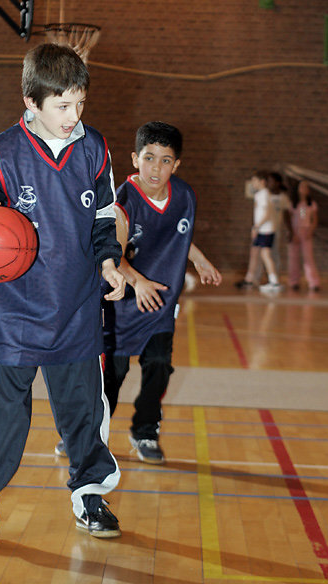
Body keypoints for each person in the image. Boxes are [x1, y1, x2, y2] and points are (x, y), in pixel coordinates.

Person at [0, 44, 125, 547]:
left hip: (77, 308)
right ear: (32, 101)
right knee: (4, 411)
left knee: (84, 414)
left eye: (80, 104)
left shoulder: (94, 150)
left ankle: (90, 494)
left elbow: (103, 217)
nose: (74, 117)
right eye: (62, 106)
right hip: (19, 312)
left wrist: (109, 261)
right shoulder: (1, 153)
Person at [98, 122, 220, 465]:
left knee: (159, 365)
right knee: (113, 375)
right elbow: (113, 255)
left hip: (160, 302)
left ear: (176, 165)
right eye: (149, 158)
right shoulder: (124, 201)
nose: (156, 168)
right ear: (135, 159)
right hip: (120, 301)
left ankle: (145, 431)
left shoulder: (184, 196)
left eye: (165, 160)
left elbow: (175, 235)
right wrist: (138, 282)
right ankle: (92, 434)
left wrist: (200, 261)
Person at [236, 170, 282, 294]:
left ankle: (274, 282)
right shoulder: (260, 194)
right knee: (256, 253)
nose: (253, 183)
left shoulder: (264, 194)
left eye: (255, 181)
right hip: (262, 229)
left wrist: (256, 227)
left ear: (262, 182)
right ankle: (251, 279)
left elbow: (267, 213)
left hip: (265, 230)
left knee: (265, 254)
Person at [288, 179, 320, 292]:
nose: (304, 190)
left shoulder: (311, 204)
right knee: (293, 258)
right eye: (302, 187)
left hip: (306, 232)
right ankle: (294, 281)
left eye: (306, 187)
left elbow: (314, 220)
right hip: (296, 232)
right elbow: (289, 218)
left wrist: (310, 231)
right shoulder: (294, 204)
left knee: (308, 258)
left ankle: (313, 282)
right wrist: (293, 233)